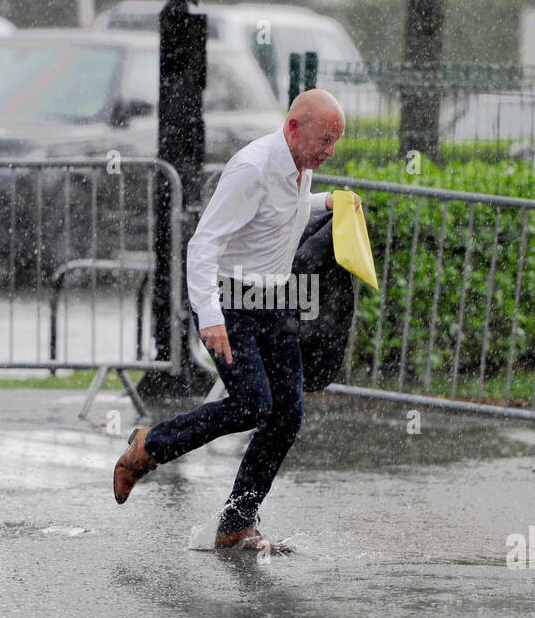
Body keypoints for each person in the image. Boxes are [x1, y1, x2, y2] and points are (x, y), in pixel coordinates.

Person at [111, 89, 357, 551]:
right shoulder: (252, 168)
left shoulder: (298, 169)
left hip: (275, 303)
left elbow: (283, 215)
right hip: (233, 305)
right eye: (325, 140)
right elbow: (204, 244)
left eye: (335, 143)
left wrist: (331, 202)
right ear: (293, 128)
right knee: (252, 404)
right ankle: (149, 447)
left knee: (286, 415)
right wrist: (210, 317)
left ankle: (236, 523)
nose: (330, 151)